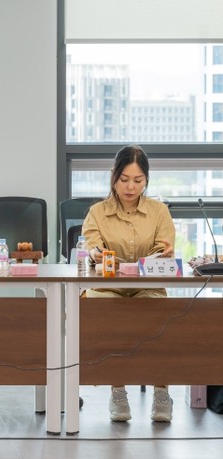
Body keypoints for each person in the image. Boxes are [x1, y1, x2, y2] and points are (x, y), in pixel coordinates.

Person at [82, 145, 176, 423]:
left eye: (138, 180)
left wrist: (163, 254)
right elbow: (92, 246)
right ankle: (118, 390)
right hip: (108, 287)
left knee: (160, 320)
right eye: (124, 179)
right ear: (114, 177)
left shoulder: (159, 211)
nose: (131, 187)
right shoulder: (97, 212)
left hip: (148, 285)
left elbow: (163, 249)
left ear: (146, 180)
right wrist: (95, 253)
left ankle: (162, 391)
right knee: (108, 318)